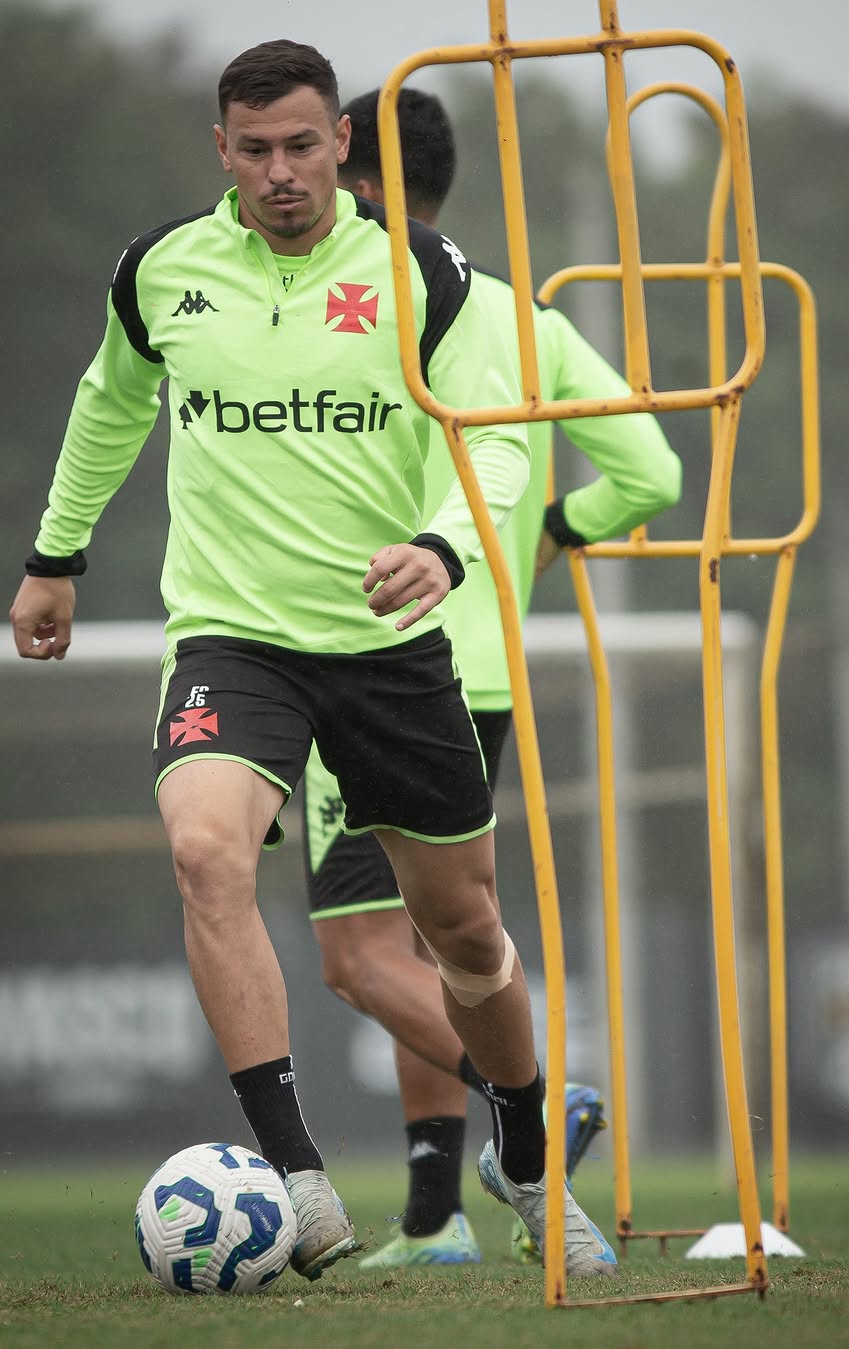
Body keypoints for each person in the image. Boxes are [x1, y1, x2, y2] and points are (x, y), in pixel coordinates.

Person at [8, 40, 618, 1283]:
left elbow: (500, 445)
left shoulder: (426, 273)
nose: (281, 171)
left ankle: (525, 1150)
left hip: (389, 645)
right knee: (204, 851)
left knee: (465, 931)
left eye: (302, 145)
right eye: (255, 149)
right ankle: (295, 1174)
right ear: (221, 150)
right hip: (232, 636)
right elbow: (110, 403)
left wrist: (444, 546)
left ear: (342, 142)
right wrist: (55, 555)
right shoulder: (160, 270)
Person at [299, 87, 683, 1268]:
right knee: (439, 945)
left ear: (361, 178)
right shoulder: (525, 315)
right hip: (485, 673)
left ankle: (539, 1104)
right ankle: (435, 1216)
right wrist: (556, 529)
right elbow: (653, 471)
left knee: (360, 958)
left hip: (373, 655)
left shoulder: (351, 304)